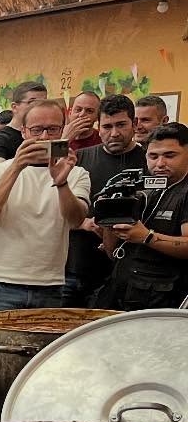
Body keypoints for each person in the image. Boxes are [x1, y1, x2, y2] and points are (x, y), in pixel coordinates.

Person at [0, 100, 90, 313]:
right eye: (37, 130)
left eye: (52, 129)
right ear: (24, 132)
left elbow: (76, 220)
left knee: (43, 348)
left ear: (63, 131)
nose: (44, 137)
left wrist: (61, 183)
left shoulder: (76, 172)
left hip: (50, 285)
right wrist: (17, 166)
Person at [97, 122, 188, 310]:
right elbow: (111, 251)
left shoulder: (185, 191)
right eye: (153, 156)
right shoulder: (141, 188)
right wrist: (109, 219)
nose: (160, 163)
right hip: (123, 291)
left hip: (164, 300)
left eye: (170, 155)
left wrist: (147, 237)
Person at [68, 94, 144, 307]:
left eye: (121, 125)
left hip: (128, 271)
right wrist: (82, 223)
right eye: (107, 126)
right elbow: (52, 204)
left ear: (134, 124)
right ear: (98, 127)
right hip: (77, 268)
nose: (114, 134)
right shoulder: (78, 158)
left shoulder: (150, 160)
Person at [0, 81, 48, 186]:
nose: (39, 108)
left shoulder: (45, 135)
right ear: (14, 107)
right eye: (32, 103)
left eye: (44, 104)